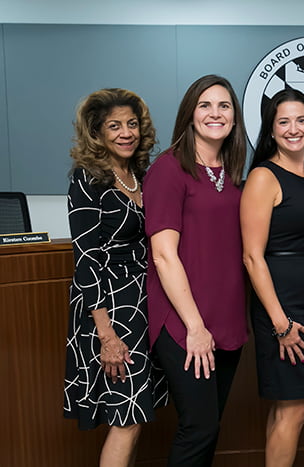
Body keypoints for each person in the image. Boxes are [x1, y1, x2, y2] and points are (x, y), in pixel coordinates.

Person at [143, 74, 248, 466]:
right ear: (189, 114)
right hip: (185, 323)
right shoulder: (169, 170)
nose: (215, 113)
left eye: (224, 106)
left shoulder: (233, 172)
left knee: (209, 427)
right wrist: (195, 327)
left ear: (235, 118)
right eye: (205, 105)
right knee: (199, 427)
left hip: (226, 321)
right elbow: (164, 255)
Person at [64, 88, 167, 467]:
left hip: (142, 302)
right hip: (108, 310)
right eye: (114, 126)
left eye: (132, 124)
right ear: (97, 133)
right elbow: (86, 259)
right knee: (127, 415)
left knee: (136, 413)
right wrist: (106, 335)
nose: (126, 132)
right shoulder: (87, 178)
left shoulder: (139, 174)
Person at [240, 88, 304, 467]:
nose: (293, 128)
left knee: (290, 408)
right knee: (293, 409)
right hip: (283, 309)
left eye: (301, 120)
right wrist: (281, 323)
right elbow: (252, 256)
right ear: (271, 129)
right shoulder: (264, 176)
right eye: (284, 121)